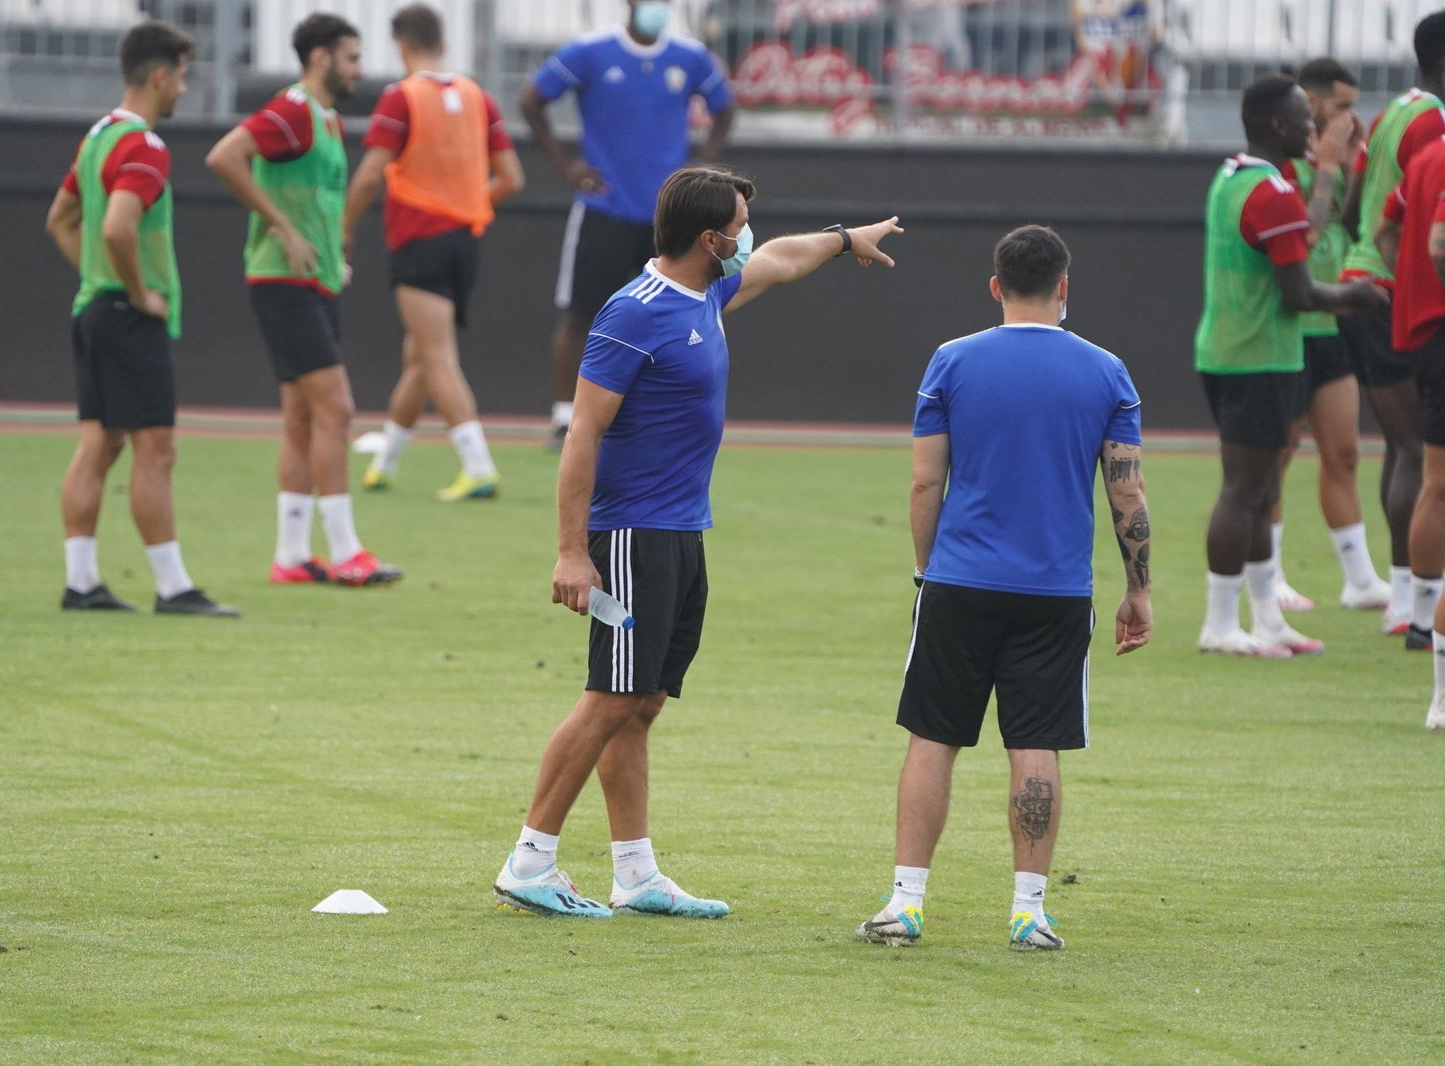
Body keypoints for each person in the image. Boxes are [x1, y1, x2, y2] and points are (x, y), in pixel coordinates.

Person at [491, 167, 902, 919]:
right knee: (609, 698)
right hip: (629, 537)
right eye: (740, 224)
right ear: (710, 239)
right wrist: (571, 551)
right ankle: (529, 861)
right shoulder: (632, 314)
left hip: (682, 535)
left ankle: (636, 873)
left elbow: (779, 258)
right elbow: (583, 433)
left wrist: (848, 241)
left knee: (641, 702)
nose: (749, 235)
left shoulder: (709, 289)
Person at [856, 225, 1150, 952]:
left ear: (995, 287)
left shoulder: (952, 362)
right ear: (1064, 287)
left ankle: (906, 904)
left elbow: (927, 481)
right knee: (1037, 744)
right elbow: (1128, 493)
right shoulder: (1107, 372)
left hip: (959, 580)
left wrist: (929, 568)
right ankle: (1029, 912)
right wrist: (1138, 589)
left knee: (933, 739)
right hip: (1054, 591)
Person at [44, 21, 238, 618]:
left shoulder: (99, 136)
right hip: (128, 317)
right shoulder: (145, 146)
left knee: (98, 445)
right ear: (160, 76)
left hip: (94, 310)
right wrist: (138, 292)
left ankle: (81, 583)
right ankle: (173, 587)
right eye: (181, 75)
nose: (183, 87)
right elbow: (116, 226)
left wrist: (97, 279)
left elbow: (60, 220)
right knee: (157, 450)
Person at [205, 13, 402, 587]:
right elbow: (224, 156)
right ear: (321, 57)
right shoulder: (291, 109)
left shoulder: (329, 121)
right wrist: (282, 228)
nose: (359, 70)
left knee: (300, 418)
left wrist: (332, 241)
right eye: (352, 57)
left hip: (314, 281)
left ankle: (291, 555)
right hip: (281, 279)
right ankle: (345, 552)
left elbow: (320, 200)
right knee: (336, 409)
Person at [1194, 74, 1386, 658]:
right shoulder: (1273, 191)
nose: (1315, 126)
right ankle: (1220, 624)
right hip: (1258, 357)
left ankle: (1266, 620)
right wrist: (1358, 294)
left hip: (1230, 350)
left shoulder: (1232, 174)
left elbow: (1296, 238)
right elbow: (1300, 291)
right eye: (1306, 117)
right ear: (1278, 126)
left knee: (1259, 489)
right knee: (1242, 492)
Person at [523, 0, 737, 449]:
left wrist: (704, 164)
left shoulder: (691, 56)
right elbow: (531, 100)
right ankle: (565, 418)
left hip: (670, 215)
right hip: (605, 206)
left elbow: (725, 106)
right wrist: (567, 166)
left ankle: (672, 415)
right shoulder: (590, 52)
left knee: (679, 312)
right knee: (582, 311)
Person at [344, 3, 524, 502]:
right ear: (443, 45)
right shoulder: (477, 97)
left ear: (400, 45)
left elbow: (367, 174)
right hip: (464, 240)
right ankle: (385, 462)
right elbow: (512, 178)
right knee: (420, 356)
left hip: (418, 239)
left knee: (437, 356)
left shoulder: (400, 98)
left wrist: (342, 229)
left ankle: (478, 464)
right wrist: (464, 207)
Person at [1338, 12, 1445, 637]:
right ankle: (1411, 608)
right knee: (1415, 451)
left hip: (1359, 284)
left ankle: (1405, 594)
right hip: (1387, 294)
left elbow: (1358, 211)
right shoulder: (1434, 123)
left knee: (1400, 447)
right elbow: (1404, 223)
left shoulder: (1390, 114)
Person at [1269, 58, 1389, 614]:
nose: (1350, 116)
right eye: (1340, 105)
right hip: (1292, 324)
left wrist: (1350, 164)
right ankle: (1267, 579)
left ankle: (1360, 578)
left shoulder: (1338, 160)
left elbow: (1346, 224)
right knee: (1278, 456)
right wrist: (1328, 165)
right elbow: (1308, 231)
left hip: (1332, 325)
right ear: (1311, 103)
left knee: (1343, 452)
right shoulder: (1283, 164)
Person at [1372, 130, 1445, 728]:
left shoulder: (1426, 157)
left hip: (1428, 335)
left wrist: (1411, 295)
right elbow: (1440, 240)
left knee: (1435, 483)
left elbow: (1385, 229)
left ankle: (1421, 617)